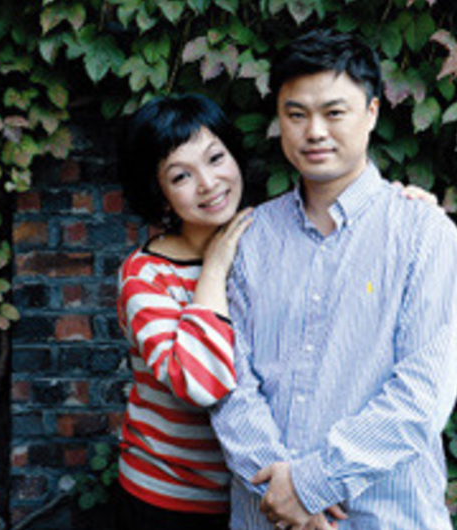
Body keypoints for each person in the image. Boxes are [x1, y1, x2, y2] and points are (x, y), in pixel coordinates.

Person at [210, 28, 457, 530]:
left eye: (334, 112)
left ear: (372, 112)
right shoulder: (253, 236)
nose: (314, 131)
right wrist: (281, 493)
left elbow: (423, 393)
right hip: (266, 514)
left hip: (386, 516)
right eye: (296, 114)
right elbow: (229, 380)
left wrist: (312, 484)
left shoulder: (423, 233)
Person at [115, 93, 253, 530]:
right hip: (169, 498)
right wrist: (213, 269)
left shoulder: (266, 240)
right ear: (160, 195)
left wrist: (410, 204)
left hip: (255, 495)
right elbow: (200, 383)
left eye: (215, 158)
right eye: (181, 176)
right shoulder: (145, 277)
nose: (208, 183)